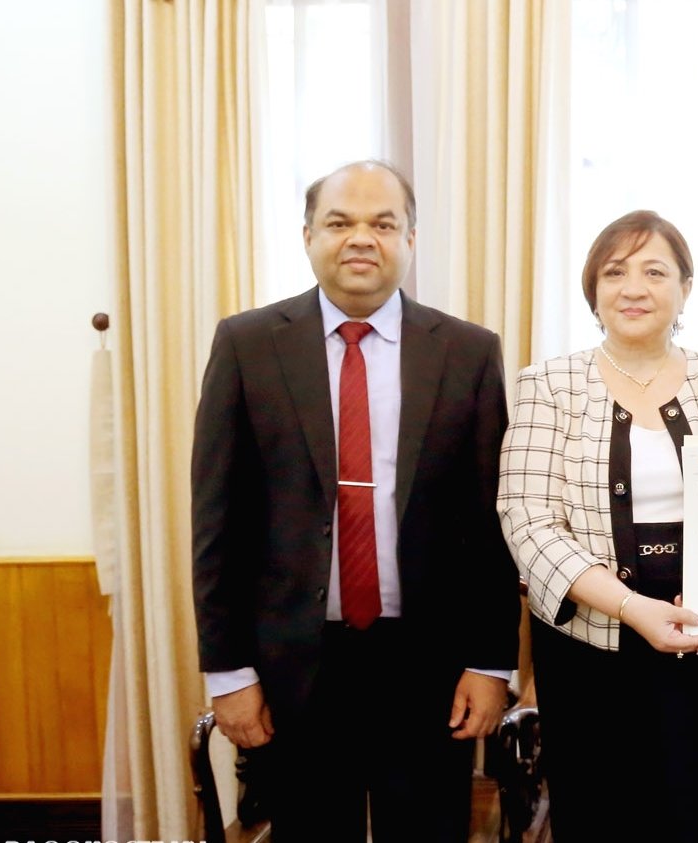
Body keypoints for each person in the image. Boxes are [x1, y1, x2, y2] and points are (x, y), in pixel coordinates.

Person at [191, 160, 521, 841]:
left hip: (429, 664)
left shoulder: (467, 352)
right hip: (295, 664)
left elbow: (490, 525)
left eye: (383, 223)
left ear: (411, 238)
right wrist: (228, 671)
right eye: (339, 223)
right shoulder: (247, 345)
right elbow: (217, 523)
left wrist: (491, 662)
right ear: (308, 235)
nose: (361, 238)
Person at [497, 210, 698, 841]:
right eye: (615, 272)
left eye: (655, 271)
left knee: (694, 803)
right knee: (598, 808)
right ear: (594, 289)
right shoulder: (547, 385)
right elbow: (527, 519)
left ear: (685, 288)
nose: (634, 287)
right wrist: (631, 607)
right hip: (588, 637)